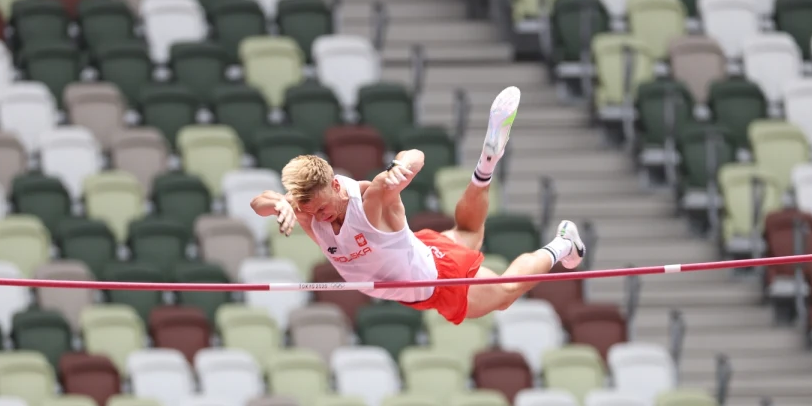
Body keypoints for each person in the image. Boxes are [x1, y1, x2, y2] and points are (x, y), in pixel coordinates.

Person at [250, 86, 586, 324]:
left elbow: (416, 156)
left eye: (323, 208)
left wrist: (401, 166)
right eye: (310, 210)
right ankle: (485, 168)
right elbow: (257, 203)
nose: (319, 217)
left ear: (336, 184)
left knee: (505, 293)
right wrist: (279, 203)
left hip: (435, 281)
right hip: (418, 251)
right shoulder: (307, 208)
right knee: (468, 231)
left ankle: (563, 244)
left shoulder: (372, 198)